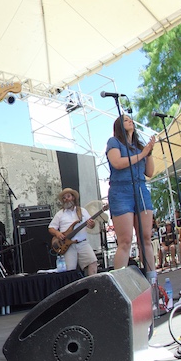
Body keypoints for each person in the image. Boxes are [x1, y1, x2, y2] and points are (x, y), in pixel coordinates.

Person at [105, 114, 157, 284]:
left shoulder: (139, 147)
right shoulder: (114, 142)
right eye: (126, 119)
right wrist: (142, 154)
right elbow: (117, 163)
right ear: (119, 125)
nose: (130, 121)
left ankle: (152, 280)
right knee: (125, 240)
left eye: (130, 119)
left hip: (140, 189)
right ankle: (120, 283)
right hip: (121, 191)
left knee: (146, 238)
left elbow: (149, 173)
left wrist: (149, 152)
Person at [47, 188, 97, 276]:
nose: (66, 199)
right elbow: (51, 228)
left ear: (73, 198)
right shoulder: (60, 214)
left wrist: (91, 224)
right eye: (64, 198)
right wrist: (58, 234)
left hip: (83, 243)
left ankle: (93, 285)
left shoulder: (82, 211)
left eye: (68, 196)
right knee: (69, 272)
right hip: (68, 246)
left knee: (92, 263)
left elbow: (91, 225)